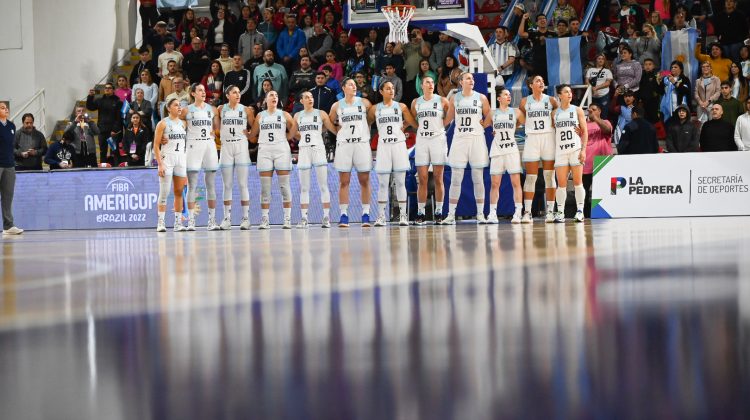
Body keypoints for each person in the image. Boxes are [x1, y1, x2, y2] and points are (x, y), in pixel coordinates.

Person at [442, 72, 491, 225]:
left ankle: (481, 214)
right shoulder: (454, 98)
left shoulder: (481, 98)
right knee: (456, 177)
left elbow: (489, 115)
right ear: (461, 82)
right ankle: (451, 215)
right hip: (459, 140)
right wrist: (435, 126)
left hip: (476, 139)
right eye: (468, 78)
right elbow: (449, 119)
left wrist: (485, 124)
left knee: (478, 177)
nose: (472, 80)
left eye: (473, 78)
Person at [369, 81, 418, 227]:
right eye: (388, 88)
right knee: (383, 184)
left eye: (393, 88)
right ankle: (381, 216)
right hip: (383, 145)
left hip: (398, 145)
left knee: (400, 182)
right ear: (381, 91)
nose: (391, 90)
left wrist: (406, 126)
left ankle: (403, 215)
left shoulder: (401, 106)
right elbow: (366, 124)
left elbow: (413, 123)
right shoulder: (374, 109)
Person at [248, 90, 297, 229]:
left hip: (281, 150)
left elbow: (294, 131)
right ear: (265, 100)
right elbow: (253, 136)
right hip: (265, 150)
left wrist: (287, 138)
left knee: (284, 186)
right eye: (271, 95)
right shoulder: (260, 116)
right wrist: (247, 135)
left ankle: (287, 218)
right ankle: (265, 219)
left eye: (276, 95)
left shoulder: (284, 114)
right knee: (265, 187)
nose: (274, 97)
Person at [329, 78, 373, 227]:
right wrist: (337, 132)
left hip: (361, 143)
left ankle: (366, 214)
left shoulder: (365, 103)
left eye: (355, 85)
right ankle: (343, 215)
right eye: (350, 84)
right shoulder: (336, 106)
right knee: (344, 181)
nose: (354, 86)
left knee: (364, 180)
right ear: (343, 88)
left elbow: (372, 118)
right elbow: (330, 122)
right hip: (344, 145)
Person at [294, 91, 338, 228]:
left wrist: (343, 134)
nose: (310, 99)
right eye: (306, 97)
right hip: (304, 150)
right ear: (301, 101)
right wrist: (302, 138)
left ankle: (326, 217)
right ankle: (304, 218)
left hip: (318, 149)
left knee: (323, 185)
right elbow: (293, 132)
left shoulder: (321, 113)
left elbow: (333, 129)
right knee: (304, 187)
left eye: (311, 97)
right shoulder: (297, 116)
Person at [519, 75, 559, 223]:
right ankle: (527, 212)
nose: (541, 82)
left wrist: (554, 117)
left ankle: (550, 211)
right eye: (537, 81)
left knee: (549, 176)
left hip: (548, 138)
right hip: (532, 139)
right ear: (531, 85)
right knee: (531, 177)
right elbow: (520, 119)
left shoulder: (551, 100)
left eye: (542, 81)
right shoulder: (524, 102)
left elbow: (558, 112)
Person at [181, 84, 220, 231]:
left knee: (211, 184)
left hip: (209, 146)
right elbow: (178, 126)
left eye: (204, 91)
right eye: (200, 90)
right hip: (193, 146)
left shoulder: (212, 109)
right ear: (193, 93)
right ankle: (191, 221)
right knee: (192, 185)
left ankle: (212, 220)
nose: (203, 93)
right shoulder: (186, 110)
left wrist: (216, 132)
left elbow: (217, 130)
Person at [412, 76, 450, 225]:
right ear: (421, 86)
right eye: (427, 82)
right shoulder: (416, 102)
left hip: (437, 140)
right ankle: (421, 212)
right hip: (422, 140)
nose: (431, 84)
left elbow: (450, 115)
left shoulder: (442, 100)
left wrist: (441, 127)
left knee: (438, 177)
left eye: (432, 82)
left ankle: (439, 211)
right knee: (422, 178)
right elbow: (412, 119)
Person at [218, 85, 255, 230]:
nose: (238, 94)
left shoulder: (246, 110)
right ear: (227, 95)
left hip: (241, 147)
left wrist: (251, 135)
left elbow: (255, 128)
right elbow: (213, 126)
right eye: (234, 92)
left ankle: (246, 218)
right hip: (226, 147)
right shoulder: (221, 109)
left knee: (242, 184)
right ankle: (226, 218)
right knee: (227, 185)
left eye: (239, 92)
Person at [487, 88, 524, 224]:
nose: (509, 96)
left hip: (511, 150)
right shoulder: (492, 113)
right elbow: (484, 125)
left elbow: (522, 122)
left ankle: (518, 212)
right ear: (499, 98)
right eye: (506, 95)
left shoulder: (516, 112)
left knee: (516, 183)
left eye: (509, 95)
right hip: (497, 150)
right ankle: (492, 213)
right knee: (495, 184)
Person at [551, 85, 588, 223]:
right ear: (560, 95)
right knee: (561, 184)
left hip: (575, 149)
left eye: (570, 91)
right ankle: (560, 212)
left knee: (578, 182)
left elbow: (584, 132)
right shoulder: (554, 113)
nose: (570, 93)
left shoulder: (577, 110)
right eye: (566, 92)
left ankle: (580, 211)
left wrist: (583, 150)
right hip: (561, 151)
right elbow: (552, 131)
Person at [154, 98, 189, 232]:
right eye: (176, 105)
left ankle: (178, 223)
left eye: (180, 105)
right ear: (168, 108)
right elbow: (156, 146)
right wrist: (160, 164)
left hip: (181, 159)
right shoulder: (162, 124)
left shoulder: (184, 124)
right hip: (167, 159)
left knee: (179, 192)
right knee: (164, 192)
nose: (179, 107)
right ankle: (161, 222)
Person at [582, 103, 611, 217]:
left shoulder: (606, 122)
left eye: (594, 109)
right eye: (590, 110)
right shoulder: (583, 124)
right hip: (585, 164)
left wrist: (596, 119)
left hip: (601, 163)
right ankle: (583, 215)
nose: (591, 112)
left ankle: (602, 215)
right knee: (583, 193)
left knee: (602, 192)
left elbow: (607, 130)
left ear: (599, 111)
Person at [86, 82, 123, 165]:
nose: (107, 89)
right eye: (106, 88)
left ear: (113, 90)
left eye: (109, 88)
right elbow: (90, 107)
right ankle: (103, 169)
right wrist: (90, 96)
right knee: (103, 151)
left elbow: (119, 118)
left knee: (114, 151)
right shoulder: (100, 100)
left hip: (113, 132)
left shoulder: (118, 102)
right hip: (102, 130)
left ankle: (116, 168)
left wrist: (115, 130)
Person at [0, 102, 22, 235]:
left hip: (9, 165)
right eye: (2, 108)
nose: (6, 109)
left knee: (8, 196)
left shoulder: (12, 126)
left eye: (6, 107)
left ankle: (8, 226)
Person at [585, 54, 613, 118]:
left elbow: (608, 83)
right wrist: (592, 89)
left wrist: (596, 88)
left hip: (604, 95)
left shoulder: (607, 71)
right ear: (596, 60)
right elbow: (586, 81)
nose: (601, 60)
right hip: (592, 96)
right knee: (591, 114)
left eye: (602, 59)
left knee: (603, 114)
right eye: (599, 58)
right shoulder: (590, 70)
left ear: (604, 61)